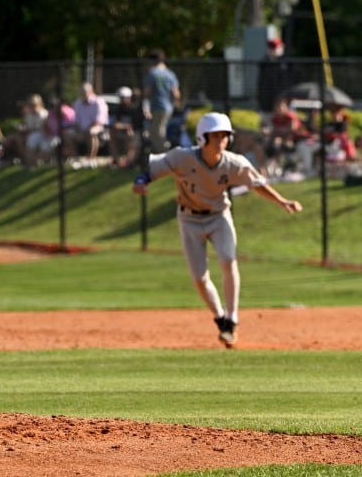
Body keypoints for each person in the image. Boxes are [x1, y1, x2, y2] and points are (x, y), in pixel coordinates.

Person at [132, 112, 302, 348]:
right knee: (200, 278)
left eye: (225, 135)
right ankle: (220, 318)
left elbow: (257, 184)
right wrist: (141, 183)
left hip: (219, 216)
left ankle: (232, 319)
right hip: (189, 219)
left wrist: (282, 202)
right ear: (202, 138)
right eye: (216, 135)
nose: (221, 140)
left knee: (228, 259)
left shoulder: (234, 163)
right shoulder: (182, 157)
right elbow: (151, 171)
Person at [142, 49, 180, 153]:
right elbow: (176, 94)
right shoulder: (170, 74)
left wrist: (146, 108)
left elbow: (147, 93)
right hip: (168, 108)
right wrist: (174, 106)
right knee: (160, 130)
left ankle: (163, 155)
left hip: (157, 107)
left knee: (156, 132)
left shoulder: (152, 73)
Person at [70, 81, 109, 166]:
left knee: (91, 132)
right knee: (68, 134)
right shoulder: (77, 103)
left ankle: (91, 158)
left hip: (97, 127)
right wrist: (78, 130)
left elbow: (100, 119)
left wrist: (87, 129)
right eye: (81, 92)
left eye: (85, 92)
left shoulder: (99, 102)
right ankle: (76, 159)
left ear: (91, 91)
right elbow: (75, 120)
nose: (83, 94)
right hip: (81, 129)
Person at [108, 86, 143, 168]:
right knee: (111, 134)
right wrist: (125, 126)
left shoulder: (136, 108)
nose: (121, 100)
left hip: (136, 132)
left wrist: (125, 127)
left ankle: (129, 162)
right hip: (123, 131)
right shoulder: (120, 108)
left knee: (130, 136)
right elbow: (116, 123)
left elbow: (136, 125)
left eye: (123, 98)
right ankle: (117, 160)